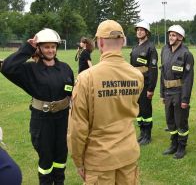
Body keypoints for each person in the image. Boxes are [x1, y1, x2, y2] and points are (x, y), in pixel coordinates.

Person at [68, 20, 144, 185]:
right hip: (128, 154)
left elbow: (77, 127)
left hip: (99, 159)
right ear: (123, 41)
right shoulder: (136, 75)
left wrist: (78, 160)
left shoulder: (86, 78)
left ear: (100, 42)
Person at [1, 28, 74, 185]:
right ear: (39, 48)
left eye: (53, 46)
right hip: (42, 120)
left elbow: (71, 92)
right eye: (46, 47)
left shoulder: (65, 68)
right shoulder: (30, 69)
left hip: (63, 119)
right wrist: (28, 48)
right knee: (46, 158)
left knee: (61, 156)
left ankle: (59, 182)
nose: (50, 50)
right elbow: (7, 67)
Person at [160, 25, 194, 159]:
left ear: (180, 37)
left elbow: (188, 78)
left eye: (174, 35)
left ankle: (181, 147)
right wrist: (162, 93)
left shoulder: (186, 54)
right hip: (168, 92)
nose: (170, 37)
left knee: (181, 122)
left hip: (179, 93)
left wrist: (185, 99)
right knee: (170, 121)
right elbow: (162, 72)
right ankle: (173, 145)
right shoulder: (165, 50)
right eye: (170, 34)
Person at [130, 21, 158, 145]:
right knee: (139, 109)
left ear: (147, 32)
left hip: (146, 84)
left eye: (142, 30)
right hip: (136, 84)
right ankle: (142, 132)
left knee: (146, 109)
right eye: (137, 30)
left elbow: (153, 70)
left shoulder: (150, 48)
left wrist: (151, 88)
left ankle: (147, 135)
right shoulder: (135, 47)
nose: (139, 32)